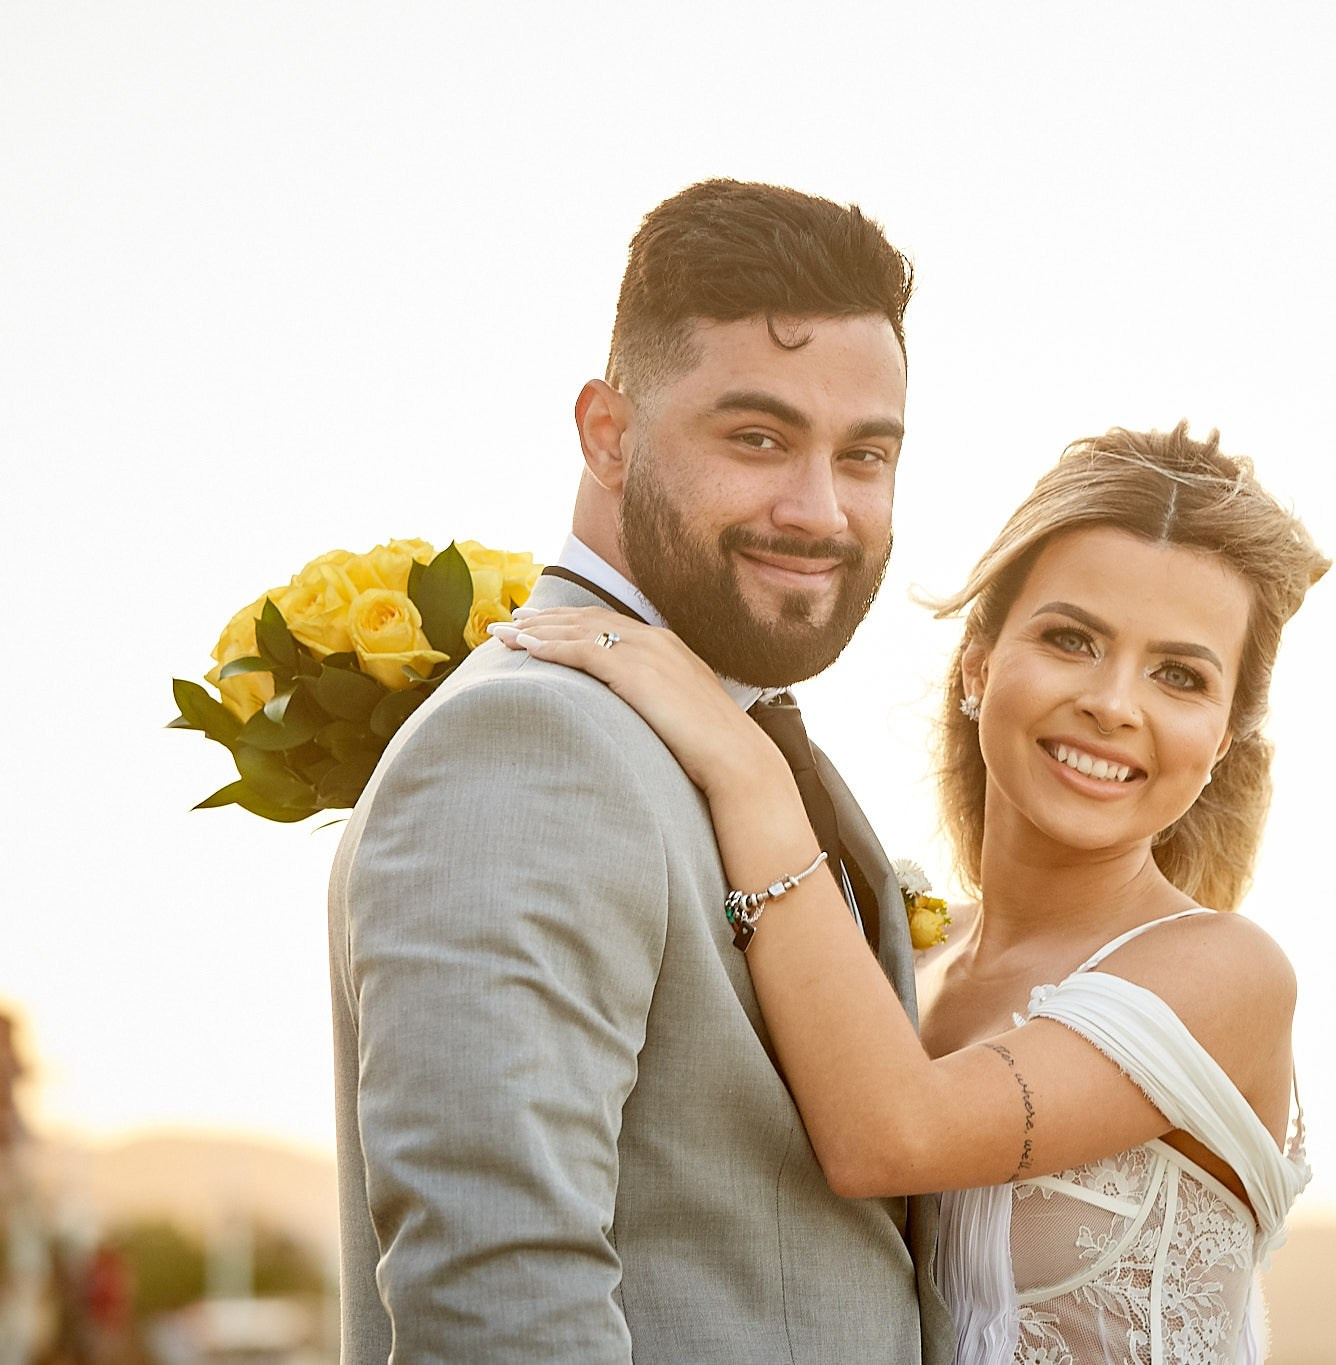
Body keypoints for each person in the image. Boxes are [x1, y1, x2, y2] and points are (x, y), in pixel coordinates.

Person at [500, 424, 1329, 1364]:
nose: (1114, 701)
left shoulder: (1226, 973)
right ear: (979, 661)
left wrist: (744, 759)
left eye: (1179, 674)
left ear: (1221, 737)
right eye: (1071, 638)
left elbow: (890, 1135)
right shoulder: (907, 950)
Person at [327, 179, 950, 1363]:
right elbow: (497, 1303)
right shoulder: (530, 744)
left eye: (863, 454)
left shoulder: (724, 736)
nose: (819, 511)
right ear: (608, 434)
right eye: (757, 437)